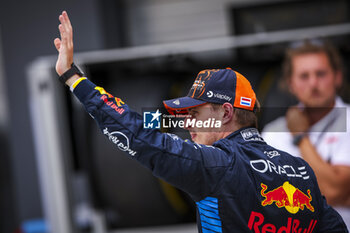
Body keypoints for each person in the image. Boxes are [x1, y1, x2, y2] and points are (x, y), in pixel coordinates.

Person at [54, 11, 348, 232]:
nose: (189, 123)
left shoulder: (215, 166)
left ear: (225, 113)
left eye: (195, 113)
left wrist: (74, 79)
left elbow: (140, 134)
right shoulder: (301, 171)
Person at [262, 39, 350, 231]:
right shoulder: (272, 134)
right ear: (290, 84)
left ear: (337, 77)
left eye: (321, 74)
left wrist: (300, 137)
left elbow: (334, 191)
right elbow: (264, 201)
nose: (313, 83)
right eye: (304, 76)